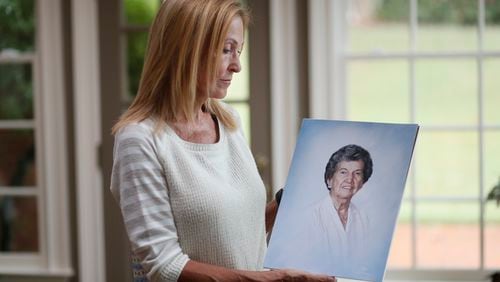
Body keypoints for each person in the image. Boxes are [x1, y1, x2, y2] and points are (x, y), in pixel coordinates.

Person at [110, 0, 336, 281]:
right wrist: (274, 279)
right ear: (185, 49)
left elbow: (235, 230)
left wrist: (288, 202)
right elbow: (164, 266)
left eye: (238, 51)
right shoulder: (139, 139)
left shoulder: (229, 121)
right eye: (227, 50)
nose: (237, 66)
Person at [309, 144, 373, 275]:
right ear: (330, 179)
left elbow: (364, 263)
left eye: (357, 173)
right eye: (343, 172)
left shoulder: (363, 217)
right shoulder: (312, 216)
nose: (350, 179)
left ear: (362, 183)